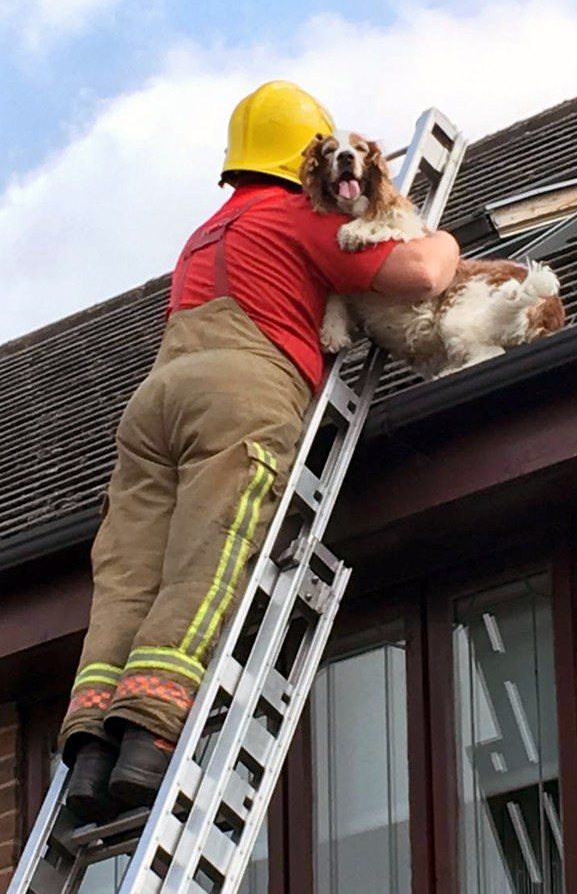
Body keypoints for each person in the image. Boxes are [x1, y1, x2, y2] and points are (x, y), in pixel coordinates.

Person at [59, 80, 460, 823]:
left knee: (128, 575)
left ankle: (89, 751)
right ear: (302, 156)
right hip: (242, 394)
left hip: (152, 408)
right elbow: (420, 278)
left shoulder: (208, 230)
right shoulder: (301, 216)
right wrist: (443, 239)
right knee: (208, 556)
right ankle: (147, 738)